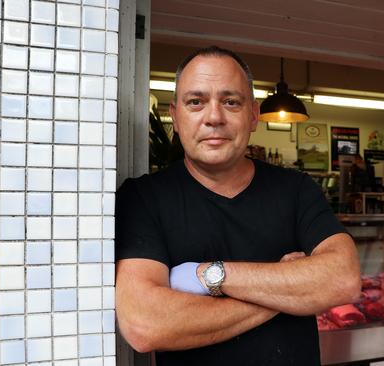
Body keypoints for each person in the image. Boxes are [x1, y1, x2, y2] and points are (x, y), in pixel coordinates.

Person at [115, 46, 361, 365]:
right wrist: (286, 292)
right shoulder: (143, 198)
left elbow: (342, 279)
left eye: (231, 102)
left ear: (254, 115)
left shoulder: (295, 188)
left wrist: (206, 275)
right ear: (175, 117)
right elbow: (145, 324)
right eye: (196, 102)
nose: (214, 117)